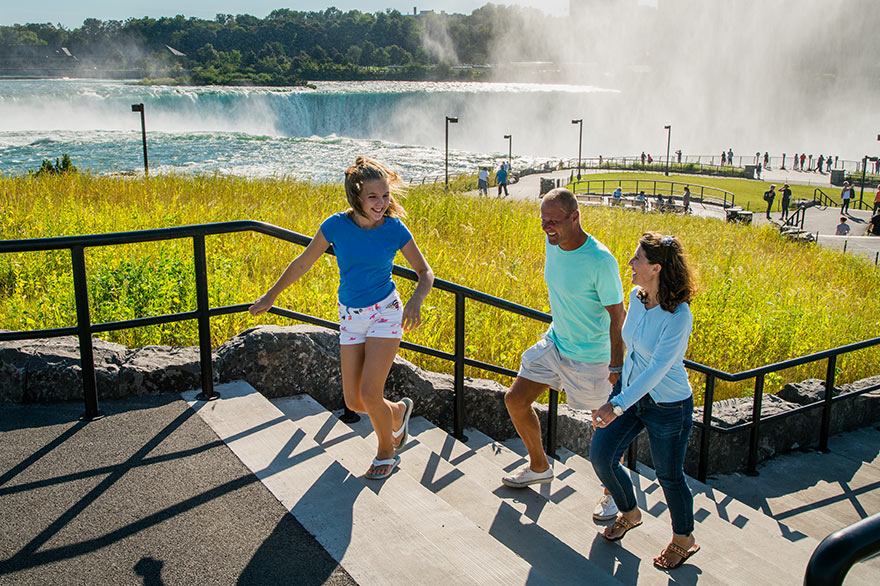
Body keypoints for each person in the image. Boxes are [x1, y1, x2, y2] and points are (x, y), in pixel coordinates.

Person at [249, 156, 434, 480]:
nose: (381, 204)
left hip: (385, 313)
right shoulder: (335, 225)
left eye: (385, 196)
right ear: (356, 197)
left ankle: (386, 450)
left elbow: (424, 271)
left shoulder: (394, 229)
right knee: (355, 400)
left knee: (370, 394)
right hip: (350, 316)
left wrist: (416, 300)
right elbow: (303, 262)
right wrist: (271, 295)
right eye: (373, 197)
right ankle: (399, 412)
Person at [502, 188, 625, 496]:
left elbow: (617, 315)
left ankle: (614, 494)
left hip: (592, 359)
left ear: (575, 217)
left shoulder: (600, 260)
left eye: (554, 221)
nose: (547, 227)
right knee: (515, 400)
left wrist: (616, 365)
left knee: (605, 426)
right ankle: (539, 467)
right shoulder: (552, 242)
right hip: (557, 344)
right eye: (543, 220)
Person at [590, 232, 699, 571]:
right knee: (601, 455)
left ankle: (684, 539)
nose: (630, 264)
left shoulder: (679, 316)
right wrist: (617, 379)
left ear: (656, 267)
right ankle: (630, 512)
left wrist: (616, 404)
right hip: (631, 393)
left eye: (636, 258)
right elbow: (631, 344)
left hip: (668, 405)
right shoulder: (637, 298)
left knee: (669, 476)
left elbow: (657, 370)